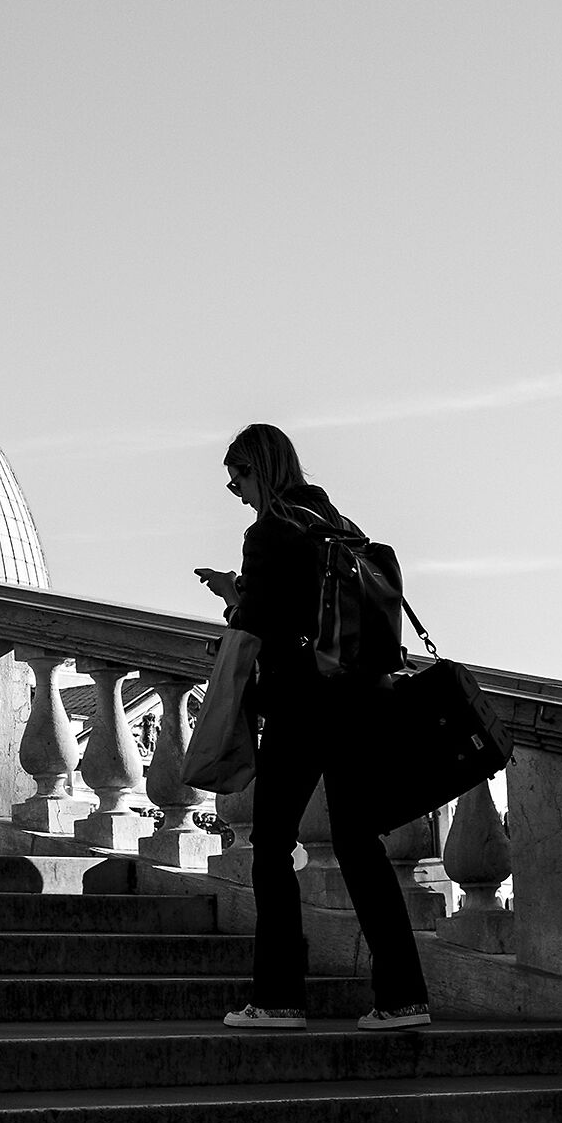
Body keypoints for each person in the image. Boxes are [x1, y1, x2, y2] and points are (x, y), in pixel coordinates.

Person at [197, 423, 430, 1033]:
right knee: (359, 845)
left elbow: (258, 623)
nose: (233, 488)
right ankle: (403, 996)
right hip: (359, 702)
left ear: (263, 470)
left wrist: (232, 594)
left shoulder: (269, 532)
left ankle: (277, 997)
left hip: (302, 705)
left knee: (272, 845)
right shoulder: (337, 523)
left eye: (239, 475)